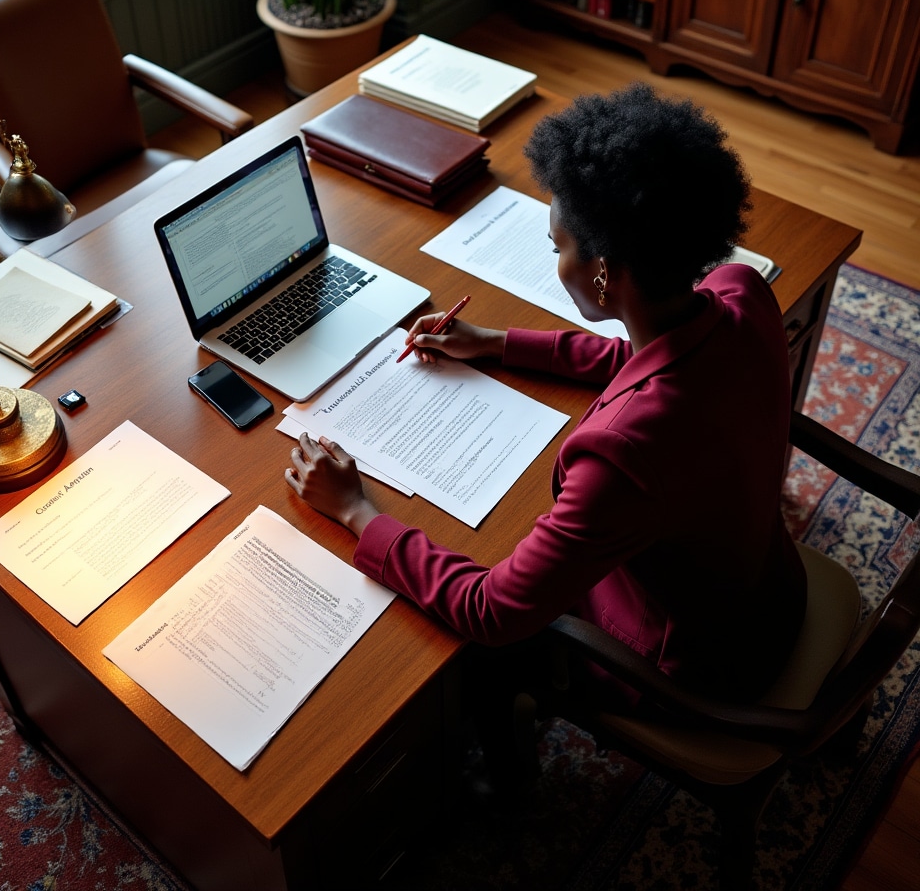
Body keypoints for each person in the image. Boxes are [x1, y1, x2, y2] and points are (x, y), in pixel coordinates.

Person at [284, 82, 807, 764]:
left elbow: (492, 610)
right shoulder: (740, 293)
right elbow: (646, 358)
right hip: (769, 590)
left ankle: (494, 781)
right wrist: (497, 342)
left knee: (469, 652)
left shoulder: (625, 452)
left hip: (692, 668)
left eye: (558, 244)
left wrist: (356, 511)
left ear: (604, 272)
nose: (555, 259)